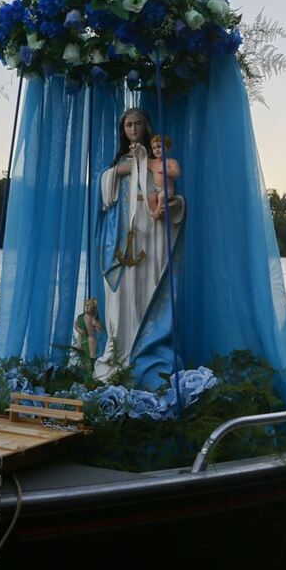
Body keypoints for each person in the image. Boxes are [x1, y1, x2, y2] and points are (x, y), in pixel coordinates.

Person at [94, 108, 185, 389]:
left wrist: (175, 204)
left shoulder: (157, 162)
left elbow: (170, 191)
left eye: (138, 124)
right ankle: (118, 359)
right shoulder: (121, 163)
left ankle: (146, 359)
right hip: (122, 240)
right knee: (119, 303)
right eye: (128, 124)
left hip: (152, 240)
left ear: (146, 127)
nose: (133, 128)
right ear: (123, 129)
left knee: (147, 294)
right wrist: (125, 167)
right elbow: (105, 193)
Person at [147, 134, 180, 220]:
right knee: (151, 197)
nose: (156, 150)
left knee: (161, 196)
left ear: (167, 147)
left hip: (167, 190)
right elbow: (143, 160)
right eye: (154, 148)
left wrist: (167, 171)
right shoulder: (153, 162)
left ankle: (157, 212)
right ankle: (156, 212)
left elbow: (177, 174)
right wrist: (138, 151)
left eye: (159, 146)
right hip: (156, 189)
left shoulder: (171, 162)